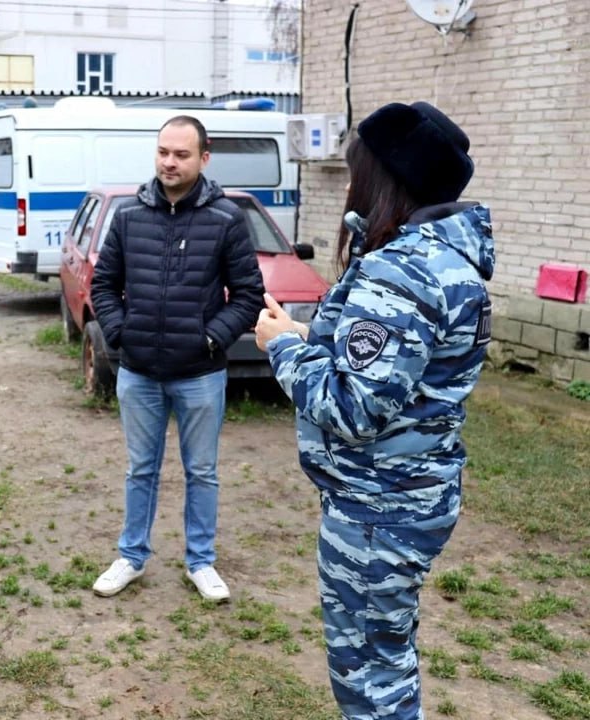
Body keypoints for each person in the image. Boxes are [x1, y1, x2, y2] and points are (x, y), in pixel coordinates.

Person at [255, 102, 494, 719]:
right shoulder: (441, 260)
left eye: (356, 171)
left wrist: (282, 348)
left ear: (388, 178)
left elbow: (354, 408)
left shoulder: (402, 273)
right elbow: (403, 374)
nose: (350, 186)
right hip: (406, 499)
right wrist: (306, 336)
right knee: (386, 659)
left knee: (369, 680)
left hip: (378, 511)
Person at [89, 115, 266, 601]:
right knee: (140, 470)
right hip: (139, 371)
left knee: (202, 471)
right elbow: (103, 285)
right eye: (163, 152)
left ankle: (201, 561)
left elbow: (248, 295)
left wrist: (210, 340)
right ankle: (131, 556)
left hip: (199, 374)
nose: (169, 162)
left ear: (204, 159)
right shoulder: (129, 215)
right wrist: (120, 333)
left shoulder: (225, 218)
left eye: (181, 154)